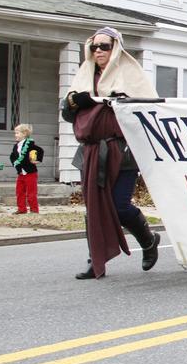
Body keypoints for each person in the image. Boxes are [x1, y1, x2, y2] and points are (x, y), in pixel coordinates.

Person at [61, 27, 161, 279]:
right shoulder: (85, 76)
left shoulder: (129, 74)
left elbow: (150, 109)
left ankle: (148, 241)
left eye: (105, 46)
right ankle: (95, 261)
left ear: (115, 47)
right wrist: (76, 102)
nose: (99, 51)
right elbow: (67, 112)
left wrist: (122, 101)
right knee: (93, 207)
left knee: (119, 206)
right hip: (92, 150)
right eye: (95, 46)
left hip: (122, 148)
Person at [9, 124, 44, 214]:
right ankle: (22, 209)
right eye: (15, 133)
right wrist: (15, 164)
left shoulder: (30, 144)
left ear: (24, 134)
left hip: (30, 172)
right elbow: (12, 156)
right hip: (21, 173)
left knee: (31, 193)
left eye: (17, 133)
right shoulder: (16, 146)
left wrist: (38, 160)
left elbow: (40, 150)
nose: (15, 135)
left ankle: (34, 210)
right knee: (19, 191)